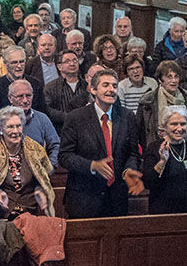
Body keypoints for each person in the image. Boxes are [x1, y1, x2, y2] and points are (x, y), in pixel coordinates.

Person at [58, 68, 144, 218]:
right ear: (93, 89)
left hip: (116, 199)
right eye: (106, 85)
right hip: (84, 198)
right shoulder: (75, 118)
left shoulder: (127, 116)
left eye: (114, 86)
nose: (111, 90)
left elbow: (132, 153)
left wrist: (128, 170)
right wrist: (92, 165)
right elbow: (65, 156)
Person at [0, 106, 55, 218]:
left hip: (30, 210)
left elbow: (43, 175)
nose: (15, 131)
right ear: (1, 129)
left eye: (18, 126)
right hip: (2, 212)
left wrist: (39, 189)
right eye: (10, 127)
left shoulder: (35, 149)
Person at [0, 79, 60, 168]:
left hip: (36, 177)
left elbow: (56, 145)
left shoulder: (42, 118)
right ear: (10, 98)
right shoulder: (1, 120)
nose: (25, 100)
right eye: (20, 96)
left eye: (28, 95)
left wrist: (49, 168)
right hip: (8, 176)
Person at [135, 60, 187, 150]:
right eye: (169, 77)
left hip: (184, 146)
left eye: (176, 76)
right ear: (160, 80)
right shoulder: (147, 101)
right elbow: (139, 130)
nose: (174, 81)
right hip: (155, 147)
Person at [0, 46, 47, 126]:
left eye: (21, 62)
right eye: (14, 62)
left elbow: (43, 113)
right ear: (6, 64)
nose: (19, 66)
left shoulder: (36, 84)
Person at [43, 49, 88, 133]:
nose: (72, 63)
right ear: (59, 67)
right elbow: (48, 110)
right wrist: (69, 117)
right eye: (67, 61)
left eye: (75, 60)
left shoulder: (87, 86)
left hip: (86, 130)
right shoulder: (50, 87)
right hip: (62, 131)